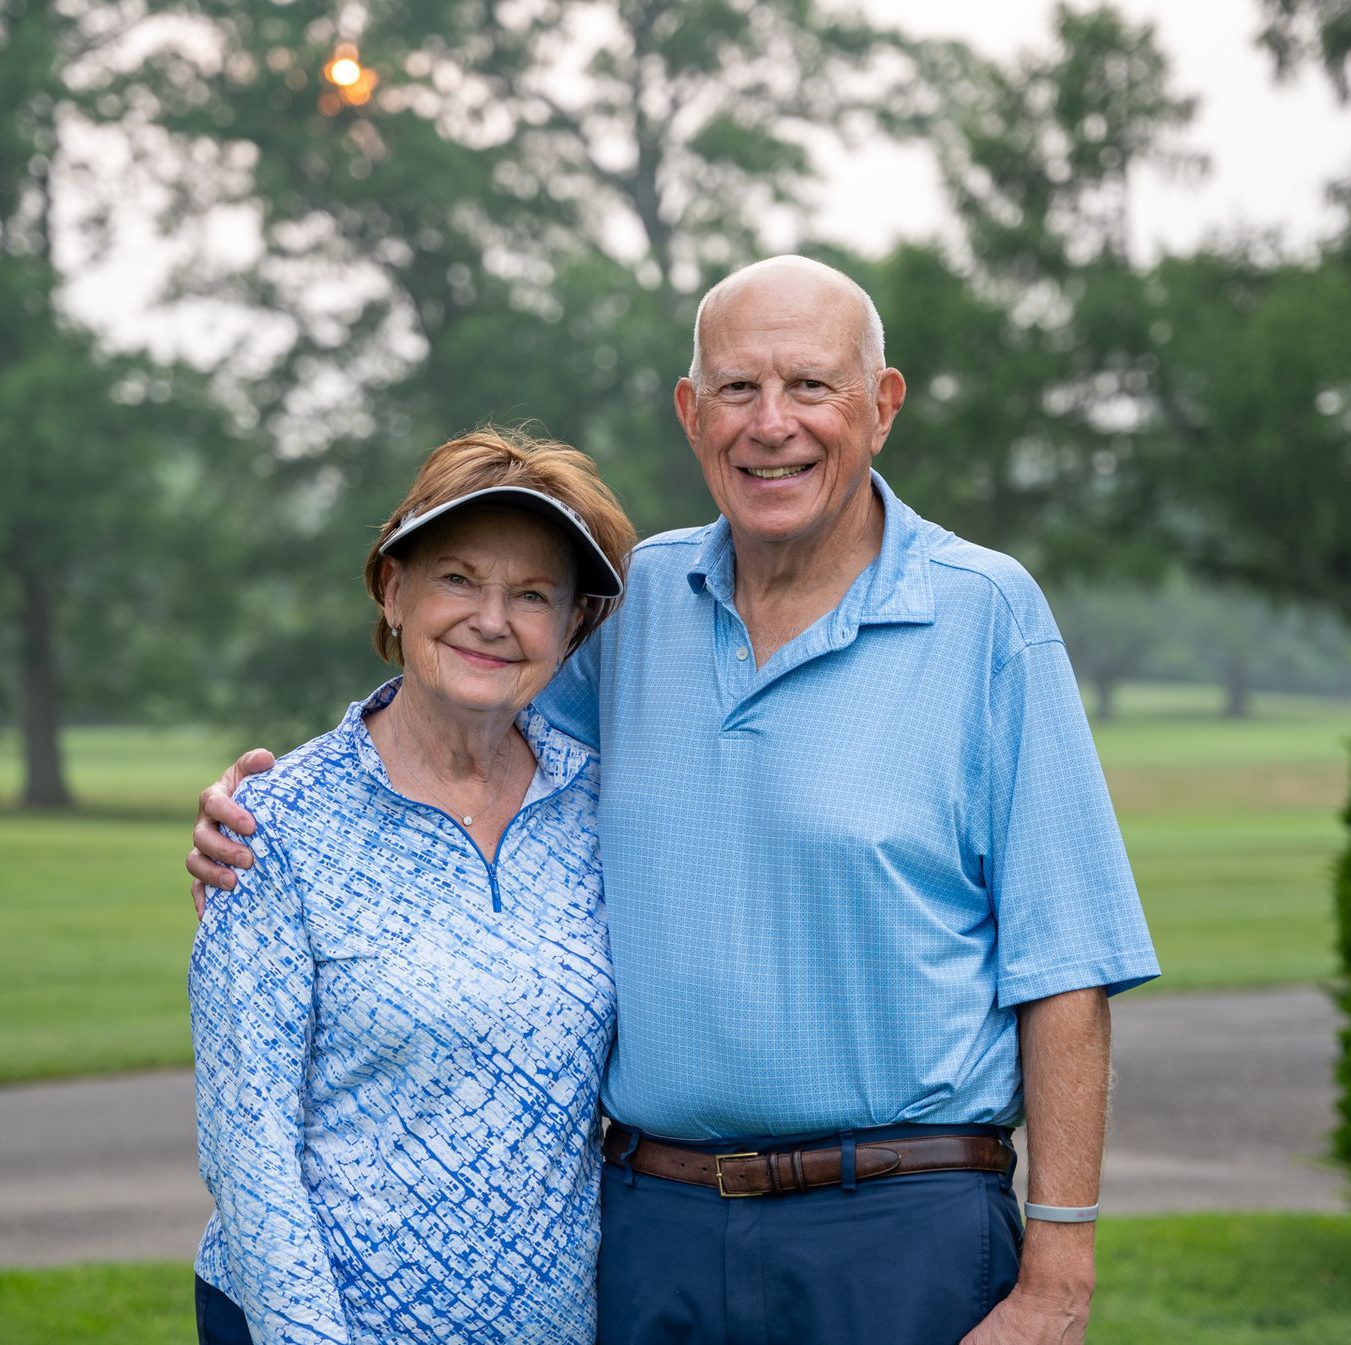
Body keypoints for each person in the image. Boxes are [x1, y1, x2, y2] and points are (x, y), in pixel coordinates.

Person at [190, 256, 1160, 1345]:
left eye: (811, 387)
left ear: (881, 408)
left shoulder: (984, 614)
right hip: (655, 1232)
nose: (772, 424)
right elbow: (463, 704)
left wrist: (1060, 1265)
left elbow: (1067, 959)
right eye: (738, 390)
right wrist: (275, 812)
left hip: (901, 1224)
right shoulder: (636, 605)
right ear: (692, 416)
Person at [188, 427, 636, 1345]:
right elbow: (248, 1143)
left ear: (572, 628)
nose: (492, 618)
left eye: (533, 594)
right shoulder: (277, 824)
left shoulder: (603, 807)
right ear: (393, 590)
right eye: (458, 578)